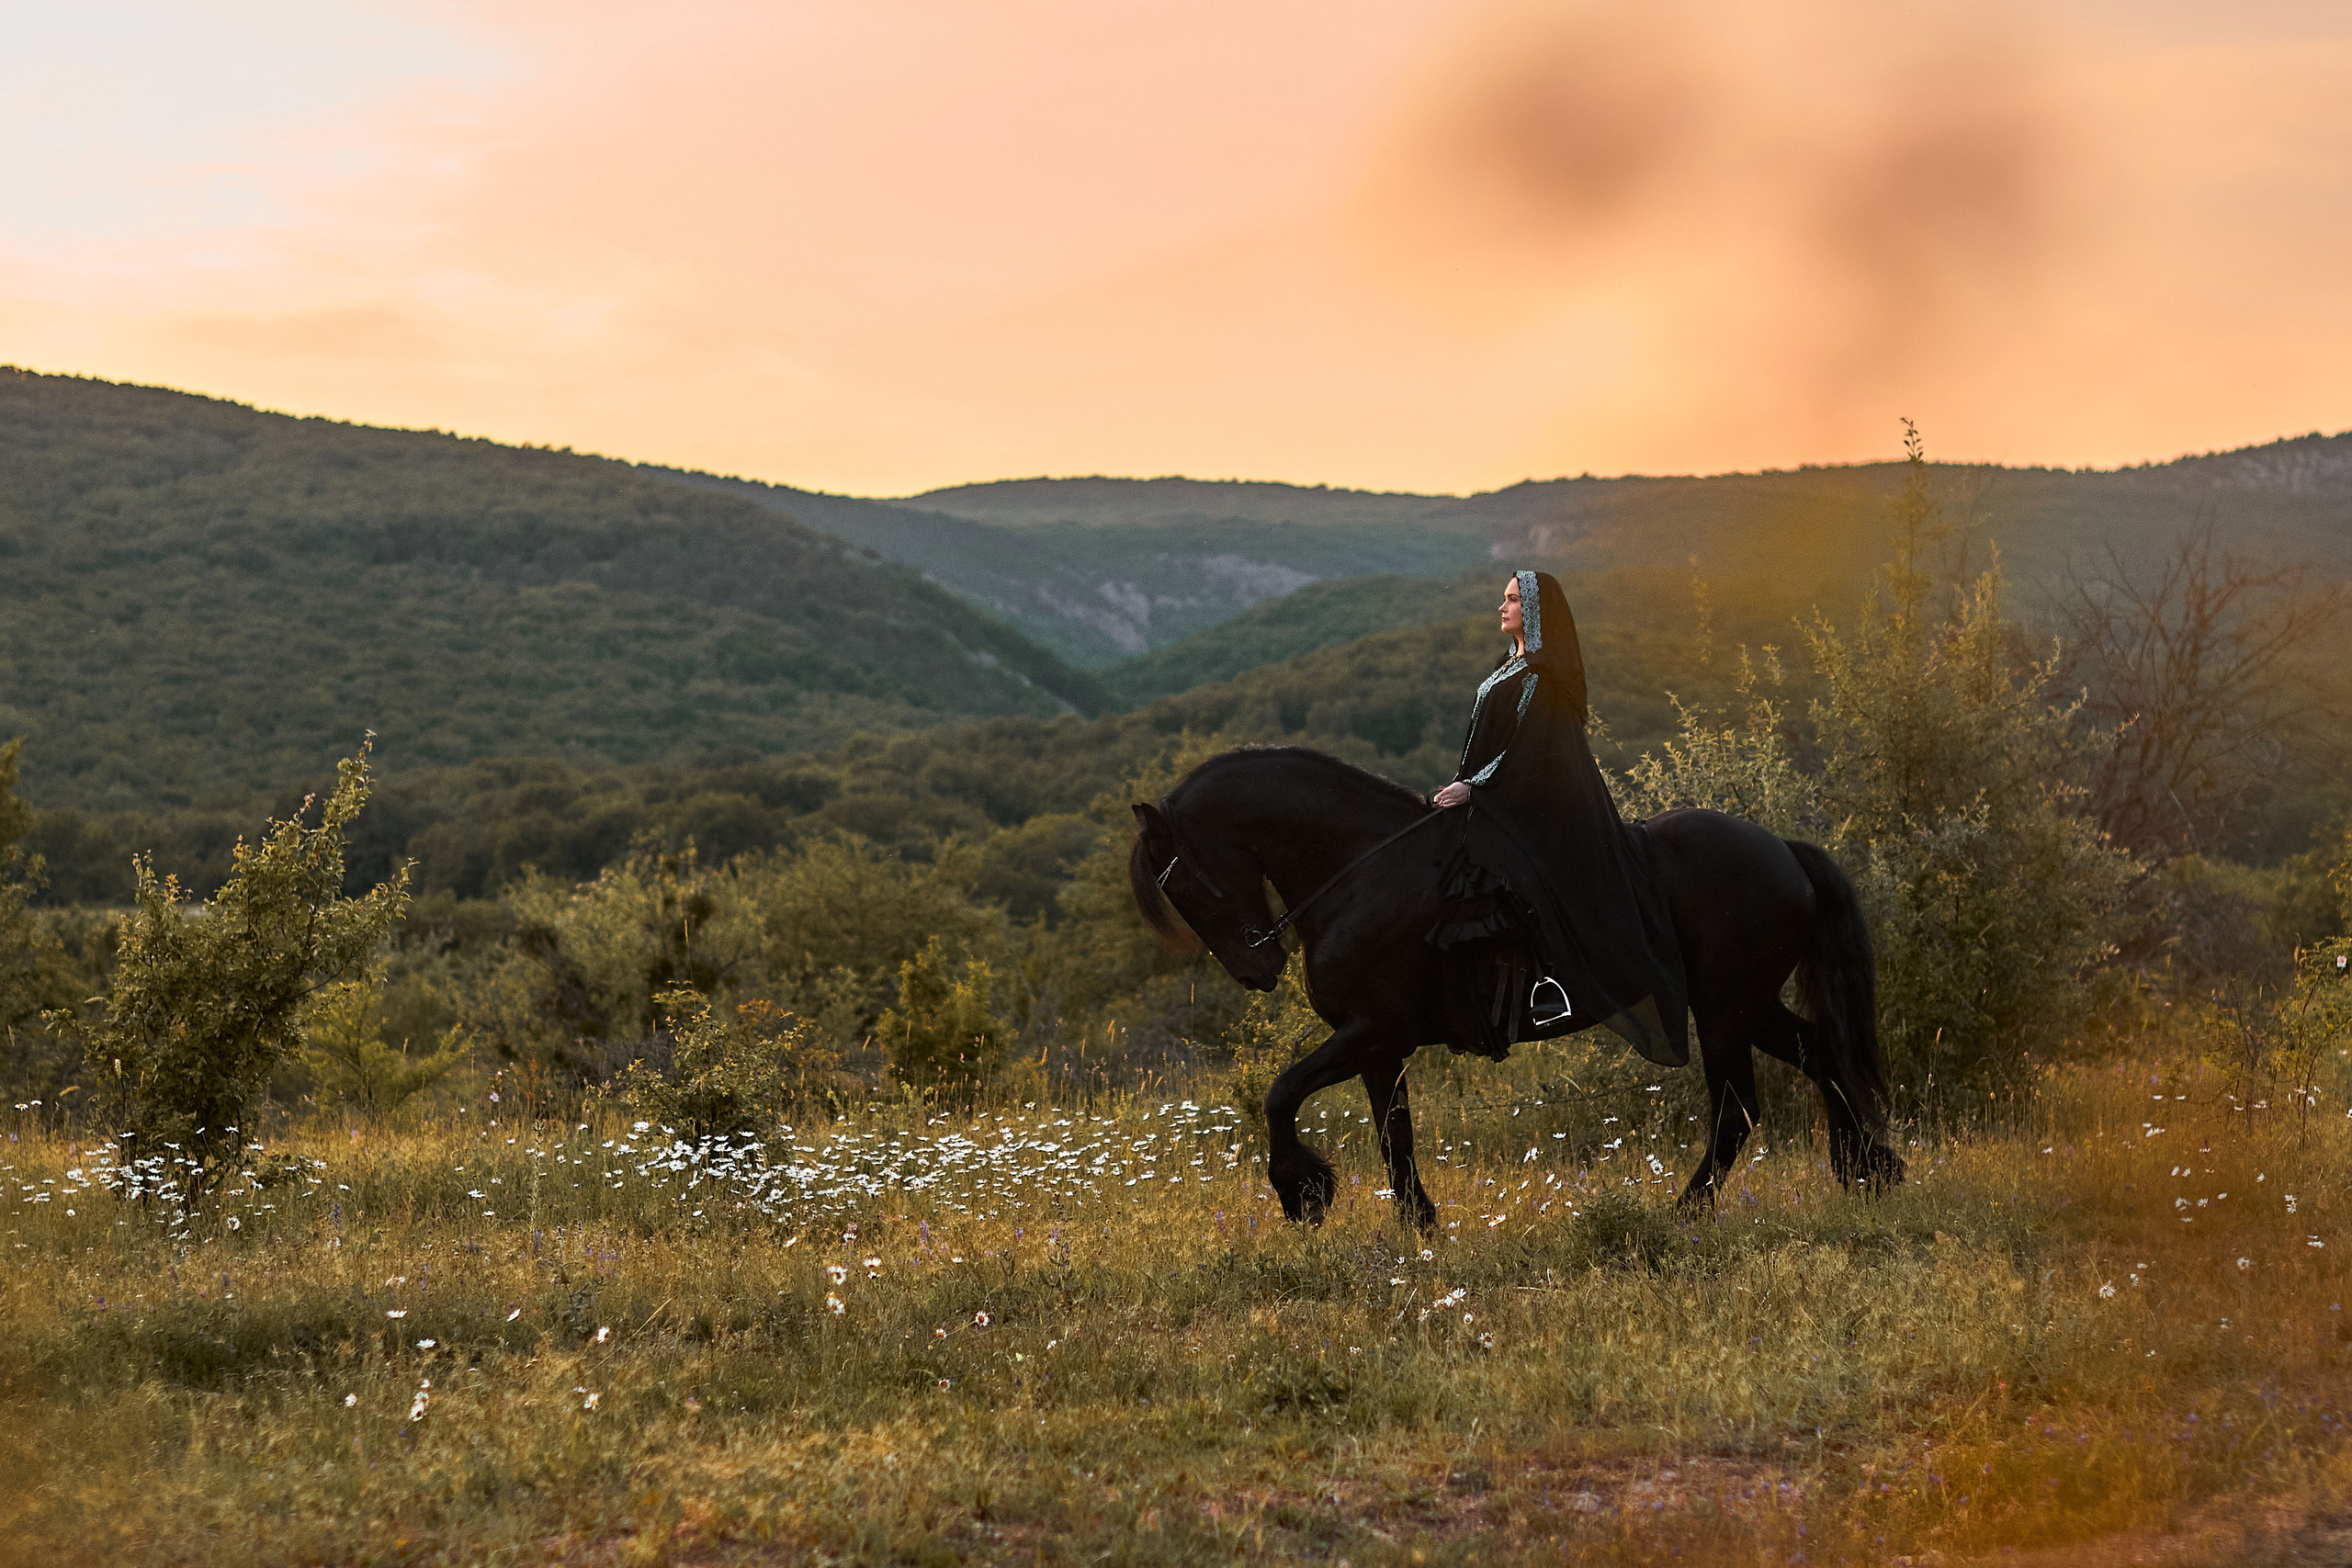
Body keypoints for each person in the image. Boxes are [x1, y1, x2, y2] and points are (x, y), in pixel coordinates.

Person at [1427, 570, 1689, 1066]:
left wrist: (1476, 787)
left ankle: (1548, 986)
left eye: (1511, 600)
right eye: (1503, 599)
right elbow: (1495, 742)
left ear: (1536, 611)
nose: (1501, 607)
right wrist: (1463, 784)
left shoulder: (1542, 677)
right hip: (1499, 798)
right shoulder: (1509, 665)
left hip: (1540, 808)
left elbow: (1529, 755)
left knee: (1515, 877)